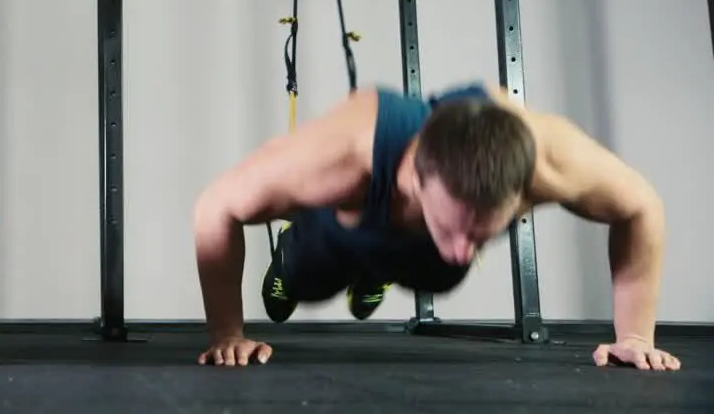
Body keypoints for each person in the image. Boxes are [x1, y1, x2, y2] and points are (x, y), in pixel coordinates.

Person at [191, 82, 681, 372]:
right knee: (301, 282)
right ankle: (297, 257)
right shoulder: (342, 158)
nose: (464, 251)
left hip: (415, 236)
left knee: (443, 271)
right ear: (413, 181)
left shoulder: (547, 159)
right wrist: (226, 333)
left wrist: (635, 337)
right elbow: (216, 207)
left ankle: (381, 266)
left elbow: (641, 206)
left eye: (483, 233)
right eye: (453, 229)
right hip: (343, 226)